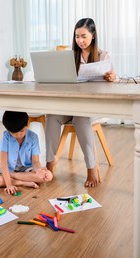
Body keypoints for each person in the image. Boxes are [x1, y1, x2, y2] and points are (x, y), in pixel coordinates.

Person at [46, 18, 116, 188]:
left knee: (80, 118)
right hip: (71, 104)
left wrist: (112, 78)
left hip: (92, 106)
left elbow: (113, 77)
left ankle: (91, 167)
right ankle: (49, 164)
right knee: (52, 116)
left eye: (83, 36)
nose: (80, 40)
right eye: (77, 36)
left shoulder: (103, 56)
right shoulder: (70, 56)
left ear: (93, 35)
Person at [0, 111, 53, 194]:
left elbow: (35, 161)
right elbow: (4, 163)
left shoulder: (33, 137)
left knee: (49, 176)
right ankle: (21, 182)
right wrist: (9, 184)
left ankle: (11, 175)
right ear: (8, 130)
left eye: (21, 131)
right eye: (14, 132)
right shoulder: (6, 136)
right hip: (7, 167)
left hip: (26, 169)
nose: (18, 135)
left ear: (27, 125)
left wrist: (38, 170)